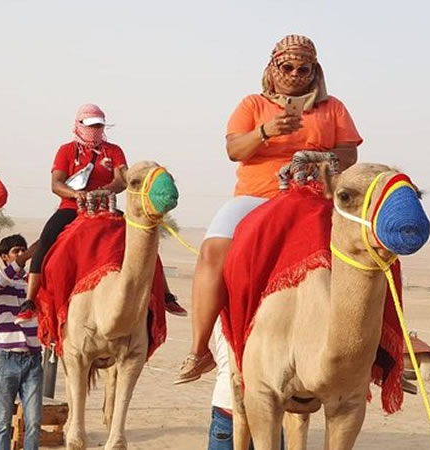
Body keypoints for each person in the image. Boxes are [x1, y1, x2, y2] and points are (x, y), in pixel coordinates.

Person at [175, 34, 362, 383]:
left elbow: (349, 154)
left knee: (367, 251)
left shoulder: (332, 107)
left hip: (314, 196)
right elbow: (234, 150)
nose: (294, 74)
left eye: (303, 68)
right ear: (273, 67)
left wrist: (319, 156)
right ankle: (198, 350)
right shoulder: (253, 105)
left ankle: (376, 353)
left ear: (314, 71)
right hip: (258, 195)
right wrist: (266, 131)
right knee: (212, 249)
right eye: (287, 67)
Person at [15, 104, 186, 324]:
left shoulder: (113, 151)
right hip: (71, 207)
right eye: (90, 125)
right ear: (78, 125)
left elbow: (121, 179)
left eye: (98, 125)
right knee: (46, 239)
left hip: (106, 206)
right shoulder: (66, 150)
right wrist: (76, 194)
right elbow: (56, 183)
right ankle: (30, 302)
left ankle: (165, 294)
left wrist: (101, 191)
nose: (95, 129)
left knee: (143, 239)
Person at [0, 234, 42, 450]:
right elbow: (2, 279)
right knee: (3, 423)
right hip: (6, 359)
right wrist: (27, 256)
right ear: (4, 257)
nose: (21, 254)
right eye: (16, 251)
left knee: (34, 423)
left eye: (23, 250)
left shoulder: (32, 283)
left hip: (32, 359)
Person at [209, 320, 285, 449]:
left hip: (231, 406)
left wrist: (197, 352)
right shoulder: (279, 306)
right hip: (267, 409)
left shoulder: (222, 303)